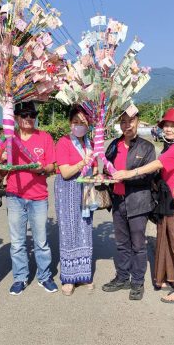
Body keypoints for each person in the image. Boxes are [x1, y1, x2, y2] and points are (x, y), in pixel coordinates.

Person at [113, 108, 174, 304]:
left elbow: (157, 165)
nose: (168, 129)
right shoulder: (171, 145)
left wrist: (129, 173)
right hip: (166, 197)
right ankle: (169, 278)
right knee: (165, 239)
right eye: (166, 126)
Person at [103, 109, 156, 300]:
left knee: (139, 245)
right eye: (123, 122)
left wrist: (126, 175)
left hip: (138, 202)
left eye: (131, 121)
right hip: (118, 202)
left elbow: (150, 174)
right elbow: (105, 168)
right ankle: (123, 277)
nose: (127, 125)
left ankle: (137, 282)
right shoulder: (113, 145)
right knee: (121, 244)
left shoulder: (147, 147)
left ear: (138, 122)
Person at [6, 101, 58, 295]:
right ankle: (20, 277)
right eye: (25, 115)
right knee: (18, 241)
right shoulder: (9, 138)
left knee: (41, 241)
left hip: (38, 197)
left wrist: (42, 169)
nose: (29, 118)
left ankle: (44, 277)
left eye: (32, 115)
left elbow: (52, 165)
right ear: (17, 118)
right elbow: (0, 160)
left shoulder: (44, 137)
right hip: (14, 195)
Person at [54, 106, 96, 296]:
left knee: (85, 229)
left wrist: (94, 173)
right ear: (70, 123)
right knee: (69, 231)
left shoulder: (91, 142)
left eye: (83, 122)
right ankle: (69, 277)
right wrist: (83, 162)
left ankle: (84, 273)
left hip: (85, 189)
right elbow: (65, 172)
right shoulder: (63, 142)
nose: (79, 126)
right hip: (68, 190)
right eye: (75, 122)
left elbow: (94, 167)